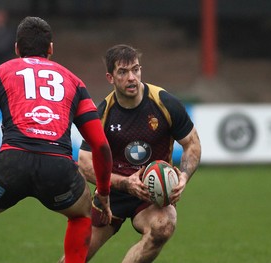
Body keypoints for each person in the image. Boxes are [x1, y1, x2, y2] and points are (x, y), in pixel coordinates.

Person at [0, 16, 113, 263]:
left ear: (16, 48)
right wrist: (103, 192)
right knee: (81, 216)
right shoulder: (74, 81)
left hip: (11, 165)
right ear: (50, 49)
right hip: (56, 168)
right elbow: (100, 145)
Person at [59, 44, 201, 263]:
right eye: (123, 72)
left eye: (135, 69)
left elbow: (192, 144)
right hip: (111, 195)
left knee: (164, 226)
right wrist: (125, 183)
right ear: (110, 77)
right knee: (75, 258)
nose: (132, 77)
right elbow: (85, 163)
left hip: (151, 195)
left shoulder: (164, 103)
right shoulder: (102, 113)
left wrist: (183, 176)